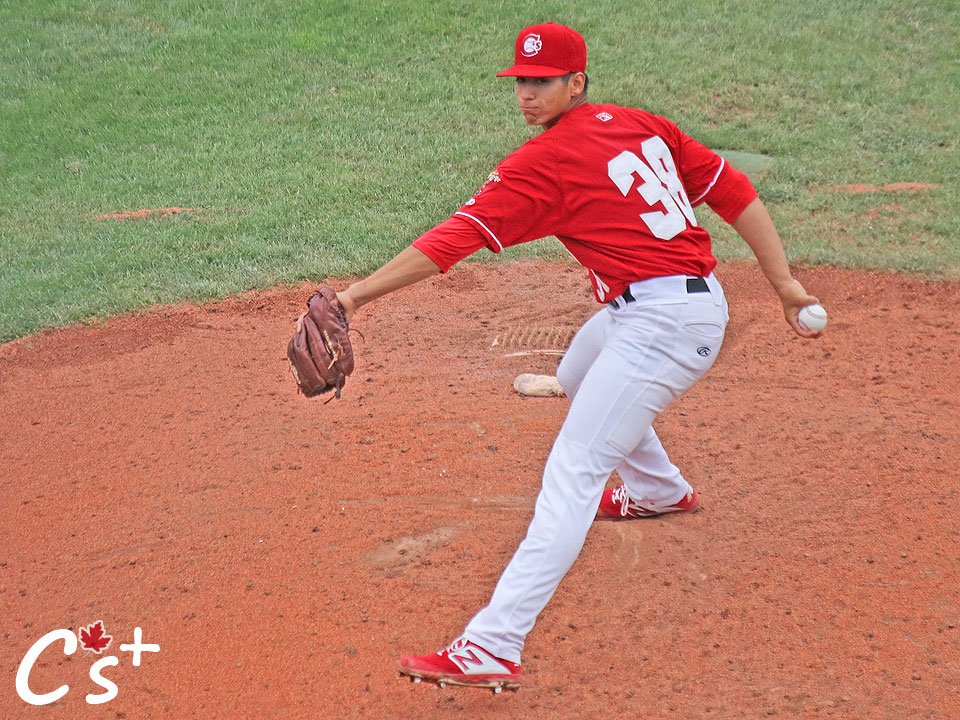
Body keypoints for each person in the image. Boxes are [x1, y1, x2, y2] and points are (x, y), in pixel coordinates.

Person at [333, 21, 821, 692]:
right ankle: (658, 490)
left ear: (576, 82)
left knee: (572, 472)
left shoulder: (544, 162)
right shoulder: (641, 124)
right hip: (667, 308)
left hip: (662, 326)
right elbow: (734, 192)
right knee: (577, 371)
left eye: (542, 81)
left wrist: (355, 296)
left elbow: (453, 240)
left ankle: (492, 645)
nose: (528, 94)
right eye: (521, 82)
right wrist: (785, 286)